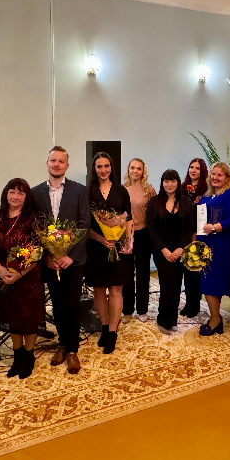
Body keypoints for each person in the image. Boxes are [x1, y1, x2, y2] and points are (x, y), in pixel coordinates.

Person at [32, 146, 90, 374]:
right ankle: (63, 344)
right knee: (57, 303)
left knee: (72, 303)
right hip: (50, 261)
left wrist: (69, 255)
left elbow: (84, 224)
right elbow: (34, 227)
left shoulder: (79, 191)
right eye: (53, 160)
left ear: (67, 165)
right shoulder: (35, 193)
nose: (56, 164)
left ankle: (73, 350)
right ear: (47, 163)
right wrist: (47, 257)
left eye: (61, 161)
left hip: (73, 260)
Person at [0, 179, 44, 379]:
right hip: (3, 277)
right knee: (12, 317)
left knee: (28, 318)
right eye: (12, 192)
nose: (16, 196)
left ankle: (29, 355)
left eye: (21, 193)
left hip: (28, 278)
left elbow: (38, 251)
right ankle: (18, 355)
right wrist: (0, 270)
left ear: (26, 197)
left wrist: (19, 273)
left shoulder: (32, 218)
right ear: (6, 194)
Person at [86, 152, 134, 354]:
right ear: (94, 169)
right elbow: (84, 223)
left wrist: (129, 240)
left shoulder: (121, 191)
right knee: (99, 289)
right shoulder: (88, 192)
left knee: (116, 289)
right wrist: (101, 239)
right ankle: (104, 327)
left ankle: (113, 332)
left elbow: (128, 218)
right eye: (99, 166)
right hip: (96, 247)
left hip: (118, 247)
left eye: (107, 166)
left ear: (111, 168)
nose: (103, 170)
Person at [146, 170, 194, 334]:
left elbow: (189, 228)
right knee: (168, 283)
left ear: (177, 182)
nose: (170, 184)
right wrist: (164, 250)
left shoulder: (186, 201)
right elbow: (151, 229)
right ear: (162, 183)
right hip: (161, 251)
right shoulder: (154, 202)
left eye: (173, 181)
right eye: (166, 181)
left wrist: (181, 248)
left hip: (180, 250)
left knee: (177, 284)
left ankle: (173, 318)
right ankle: (163, 319)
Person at [197, 162, 230, 336]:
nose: (215, 177)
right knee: (207, 281)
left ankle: (215, 320)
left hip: (221, 245)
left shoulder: (229, 194)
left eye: (220, 175)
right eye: (213, 174)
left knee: (213, 282)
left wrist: (214, 227)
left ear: (227, 178)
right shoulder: (208, 195)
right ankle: (215, 317)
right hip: (206, 243)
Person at [122, 158, 156, 324]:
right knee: (127, 274)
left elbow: (155, 213)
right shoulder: (121, 189)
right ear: (128, 169)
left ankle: (142, 310)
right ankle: (127, 310)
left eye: (139, 168)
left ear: (143, 171)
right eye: (133, 168)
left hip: (143, 235)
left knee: (142, 274)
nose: (135, 171)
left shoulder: (149, 189)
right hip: (126, 236)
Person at [181, 158, 209, 318]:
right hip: (183, 234)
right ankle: (188, 302)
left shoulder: (206, 190)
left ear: (202, 171)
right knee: (186, 271)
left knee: (195, 270)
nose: (193, 170)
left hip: (197, 234)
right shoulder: (182, 188)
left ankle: (195, 304)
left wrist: (196, 233)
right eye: (191, 167)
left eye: (197, 168)